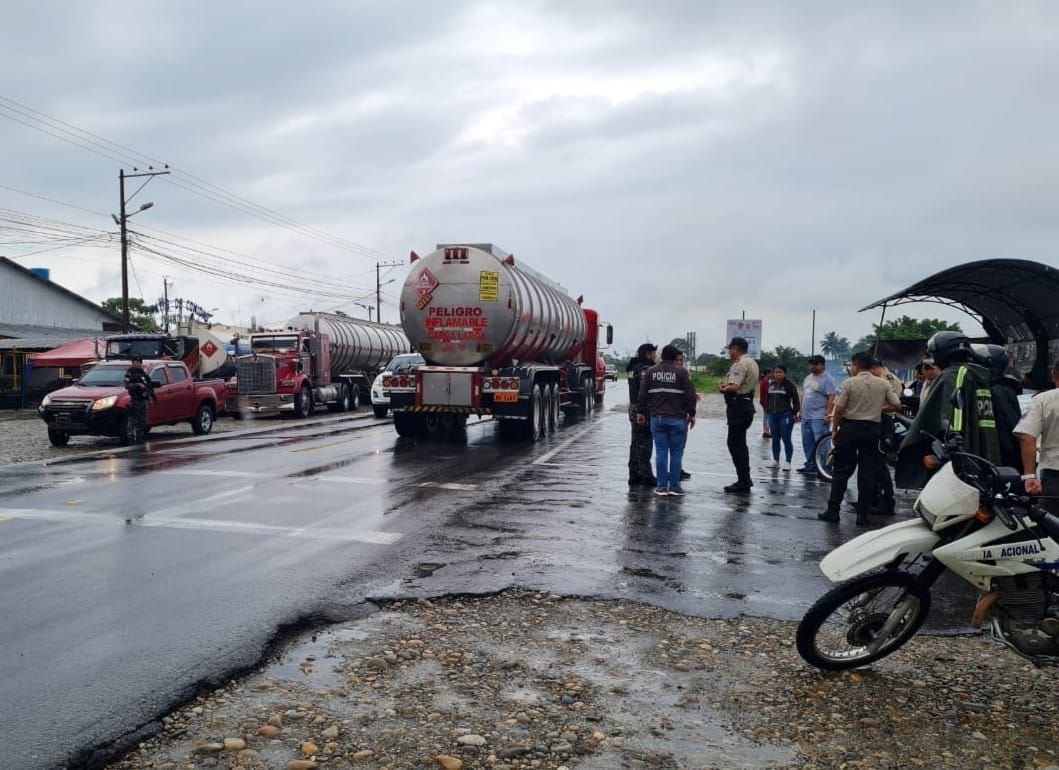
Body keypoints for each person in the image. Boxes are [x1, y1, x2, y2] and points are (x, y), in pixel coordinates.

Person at [896, 332, 1001, 490]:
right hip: (983, 453)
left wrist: (951, 439)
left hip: (962, 459)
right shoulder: (977, 375)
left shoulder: (954, 375)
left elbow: (952, 415)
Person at [818, 351, 901, 526]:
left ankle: (833, 511)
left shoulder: (848, 383)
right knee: (867, 473)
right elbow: (897, 405)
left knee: (841, 471)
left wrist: (835, 429)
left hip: (849, 429)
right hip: (872, 430)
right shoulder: (883, 384)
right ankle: (862, 516)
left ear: (856, 365)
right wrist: (879, 409)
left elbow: (839, 409)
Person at [637, 344, 697, 496]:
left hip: (657, 419)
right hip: (677, 419)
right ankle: (675, 487)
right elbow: (690, 395)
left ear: (662, 356)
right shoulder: (683, 372)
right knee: (676, 453)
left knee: (661, 452)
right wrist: (692, 414)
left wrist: (641, 412)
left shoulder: (650, 372)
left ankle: (661, 487)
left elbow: (643, 395)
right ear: (675, 357)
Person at [1016, 359, 1059, 515]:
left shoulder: (1042, 400)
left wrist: (1029, 475)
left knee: (1049, 530)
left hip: (1055, 480)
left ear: (1054, 376)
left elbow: (1027, 437)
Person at [717, 336, 759, 493]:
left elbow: (734, 387)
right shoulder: (752, 362)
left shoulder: (739, 364)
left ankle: (743, 480)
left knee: (735, 444)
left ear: (736, 349)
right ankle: (744, 478)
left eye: (730, 349)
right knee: (740, 443)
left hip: (738, 406)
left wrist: (723, 388)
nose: (729, 352)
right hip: (746, 405)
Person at [797, 355, 837, 474]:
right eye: (811, 364)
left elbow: (831, 397)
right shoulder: (808, 378)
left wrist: (828, 414)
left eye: (815, 364)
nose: (812, 366)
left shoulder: (828, 379)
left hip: (819, 417)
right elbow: (804, 395)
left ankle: (825, 468)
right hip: (806, 416)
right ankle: (810, 465)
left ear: (822, 365)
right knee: (807, 442)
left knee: (822, 443)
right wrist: (800, 411)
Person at [626, 343, 658, 487]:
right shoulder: (645, 369)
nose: (655, 356)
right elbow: (643, 392)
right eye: (653, 353)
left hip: (634, 407)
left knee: (635, 443)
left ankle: (634, 474)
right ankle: (646, 476)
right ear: (648, 354)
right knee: (645, 443)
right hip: (642, 409)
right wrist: (643, 411)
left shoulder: (633, 367)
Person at [765, 364, 800, 471]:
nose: (778, 374)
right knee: (775, 438)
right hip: (773, 415)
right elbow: (768, 398)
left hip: (785, 415)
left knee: (786, 438)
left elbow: (796, 400)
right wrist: (768, 410)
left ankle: (788, 462)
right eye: (776, 372)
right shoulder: (771, 384)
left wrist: (795, 413)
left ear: (785, 374)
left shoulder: (789, 385)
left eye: (780, 372)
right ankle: (776, 460)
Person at [123, 356, 157, 445]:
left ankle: (139, 437)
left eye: (139, 362)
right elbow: (127, 386)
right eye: (136, 362)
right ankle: (130, 438)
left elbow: (148, 385)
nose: (138, 364)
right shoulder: (129, 373)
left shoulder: (143, 373)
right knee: (133, 420)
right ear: (133, 363)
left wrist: (151, 397)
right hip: (135, 400)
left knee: (143, 420)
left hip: (143, 400)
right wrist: (137, 385)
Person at [759, 367, 773, 438]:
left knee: (766, 416)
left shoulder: (764, 380)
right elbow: (768, 391)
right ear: (767, 374)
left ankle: (766, 430)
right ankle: (766, 431)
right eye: (770, 373)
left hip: (764, 401)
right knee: (767, 416)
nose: (772, 374)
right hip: (766, 401)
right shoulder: (765, 381)